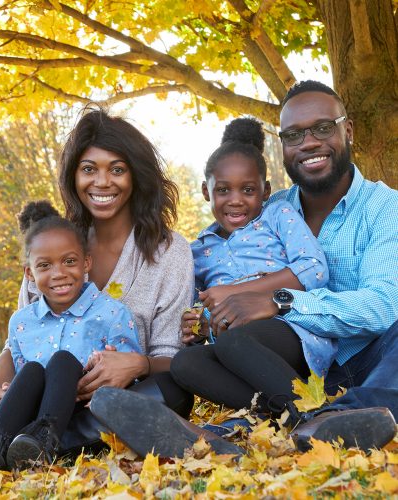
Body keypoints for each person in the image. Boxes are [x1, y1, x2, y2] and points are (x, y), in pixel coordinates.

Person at [90, 80, 398, 456]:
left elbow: (383, 307)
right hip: (281, 366)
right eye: (294, 134)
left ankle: (328, 416)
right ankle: (269, 426)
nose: (309, 143)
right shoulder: (265, 211)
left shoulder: (384, 207)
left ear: (347, 130)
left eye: (322, 128)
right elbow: (207, 298)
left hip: (366, 359)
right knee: (189, 362)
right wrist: (201, 322)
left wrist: (278, 301)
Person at [0, 109, 195, 468]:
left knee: (171, 393)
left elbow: (173, 358)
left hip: (115, 398)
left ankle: (8, 447)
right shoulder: (53, 242)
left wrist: (138, 363)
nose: (102, 182)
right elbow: (17, 344)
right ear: (73, 176)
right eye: (89, 169)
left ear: (136, 176)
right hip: (32, 401)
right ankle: (23, 443)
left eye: (117, 169)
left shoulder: (169, 251)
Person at [0, 200, 141, 473]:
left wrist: (107, 365)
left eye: (69, 261)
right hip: (30, 415)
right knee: (34, 369)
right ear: (29, 274)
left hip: (84, 410)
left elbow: (131, 373)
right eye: (44, 265)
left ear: (86, 262)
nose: (59, 273)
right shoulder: (22, 321)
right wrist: (2, 394)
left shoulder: (112, 313)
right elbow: (25, 376)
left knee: (61, 361)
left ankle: (43, 443)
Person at [182, 117, 332, 385]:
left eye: (248, 190)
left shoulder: (277, 215)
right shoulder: (197, 251)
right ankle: (285, 411)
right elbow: (197, 307)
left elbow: (314, 268)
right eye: (223, 190)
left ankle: (309, 407)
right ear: (207, 191)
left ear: (266, 191)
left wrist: (235, 292)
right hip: (233, 347)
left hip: (287, 329)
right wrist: (197, 325)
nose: (236, 200)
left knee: (234, 341)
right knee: (185, 363)